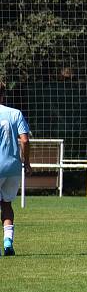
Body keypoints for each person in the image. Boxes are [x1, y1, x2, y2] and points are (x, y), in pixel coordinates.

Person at [0, 83, 32, 256]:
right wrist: (26, 162)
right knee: (7, 204)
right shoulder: (15, 113)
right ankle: (7, 242)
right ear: (3, 94)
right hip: (12, 167)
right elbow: (25, 140)